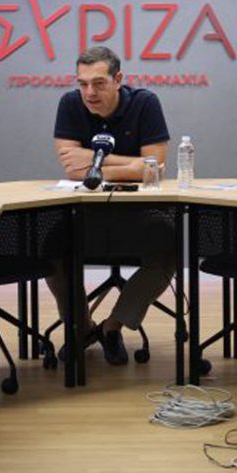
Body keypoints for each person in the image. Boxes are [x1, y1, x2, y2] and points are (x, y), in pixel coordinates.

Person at [47, 46, 176, 366]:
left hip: (140, 215)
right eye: (82, 84)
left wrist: (95, 162)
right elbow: (72, 170)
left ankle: (112, 326)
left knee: (168, 250)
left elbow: (155, 168)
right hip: (86, 215)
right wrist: (133, 166)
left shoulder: (145, 103)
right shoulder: (70, 104)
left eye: (99, 83)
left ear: (118, 79)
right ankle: (81, 327)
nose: (89, 93)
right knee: (51, 251)